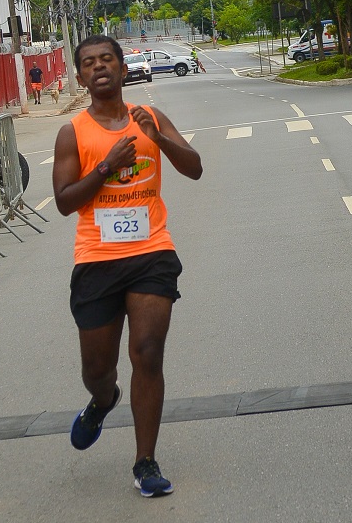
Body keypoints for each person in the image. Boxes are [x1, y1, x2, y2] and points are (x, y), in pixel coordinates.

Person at [51, 34, 202, 498]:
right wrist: (106, 167)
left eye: (106, 59)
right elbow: (64, 202)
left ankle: (145, 461)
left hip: (151, 252)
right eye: (88, 63)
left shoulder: (150, 117)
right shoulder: (73, 132)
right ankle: (103, 399)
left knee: (148, 352)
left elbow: (194, 167)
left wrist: (160, 140)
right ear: (81, 77)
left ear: (122, 67)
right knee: (97, 370)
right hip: (97, 259)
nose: (98, 67)